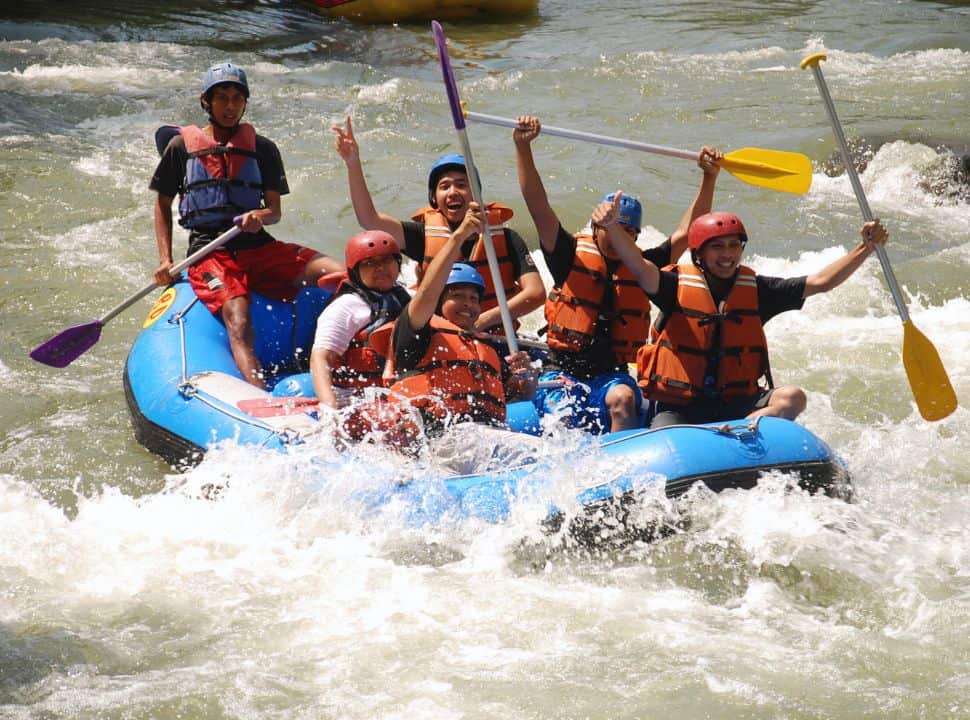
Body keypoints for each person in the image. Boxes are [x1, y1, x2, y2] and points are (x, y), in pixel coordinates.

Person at [512, 114, 723, 432]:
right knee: (564, 417)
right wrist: (523, 148)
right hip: (561, 372)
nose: (615, 238)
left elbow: (686, 232)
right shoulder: (567, 254)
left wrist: (709, 178)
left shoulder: (643, 266)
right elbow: (537, 205)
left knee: (624, 398)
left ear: (634, 238)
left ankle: (620, 472)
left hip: (611, 374)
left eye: (625, 232)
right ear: (595, 225)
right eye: (609, 228)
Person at [604, 199, 890, 427]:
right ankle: (726, 437)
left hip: (737, 403)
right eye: (717, 246)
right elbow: (639, 267)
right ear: (699, 254)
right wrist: (612, 227)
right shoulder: (673, 285)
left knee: (793, 398)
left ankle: (741, 431)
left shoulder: (757, 290)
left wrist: (865, 248)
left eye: (733, 245)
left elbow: (820, 283)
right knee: (665, 435)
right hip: (680, 407)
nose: (727, 254)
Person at [150, 61, 342, 388]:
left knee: (338, 273)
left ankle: (346, 360)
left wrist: (259, 216)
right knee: (238, 320)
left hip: (257, 244)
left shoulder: (263, 149)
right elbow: (162, 203)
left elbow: (275, 211)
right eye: (222, 97)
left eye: (237, 98)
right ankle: (259, 392)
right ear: (205, 101)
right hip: (209, 252)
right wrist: (165, 260)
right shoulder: (180, 147)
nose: (230, 105)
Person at [332, 115, 545, 332]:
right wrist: (352, 163)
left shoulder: (507, 239)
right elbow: (369, 219)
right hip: (439, 337)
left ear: (476, 194)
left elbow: (536, 293)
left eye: (462, 185)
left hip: (494, 336)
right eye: (444, 186)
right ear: (434, 198)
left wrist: (481, 321)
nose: (453, 192)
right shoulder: (423, 235)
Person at [368, 203, 539, 467]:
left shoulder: (485, 350)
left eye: (473, 298)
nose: (467, 303)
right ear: (438, 303)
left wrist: (526, 377)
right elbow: (426, 293)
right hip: (437, 440)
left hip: (478, 441)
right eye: (457, 296)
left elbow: (519, 397)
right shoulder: (416, 333)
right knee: (539, 455)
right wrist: (460, 235)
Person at [309, 230, 412, 409]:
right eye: (370, 263)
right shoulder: (346, 306)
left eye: (387, 260)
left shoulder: (408, 298)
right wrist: (329, 408)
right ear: (355, 271)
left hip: (395, 392)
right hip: (354, 398)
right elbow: (321, 358)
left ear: (398, 263)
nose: (380, 268)